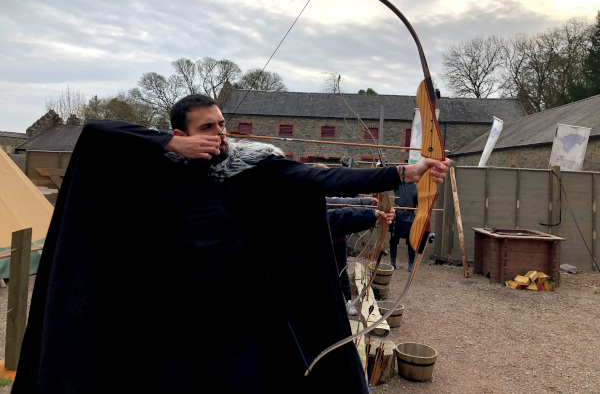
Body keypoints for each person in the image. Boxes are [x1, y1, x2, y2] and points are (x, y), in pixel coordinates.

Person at [13, 94, 449, 394]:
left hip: (236, 344)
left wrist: (402, 173)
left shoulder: (252, 171)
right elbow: (97, 132)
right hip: (171, 344)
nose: (220, 133)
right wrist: (170, 145)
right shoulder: (159, 176)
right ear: (181, 132)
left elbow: (321, 178)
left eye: (222, 124)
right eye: (207, 127)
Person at [326, 196, 394, 316]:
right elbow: (337, 215)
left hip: (338, 240)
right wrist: (371, 214)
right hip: (324, 241)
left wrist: (367, 203)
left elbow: (340, 203)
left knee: (342, 270)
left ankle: (347, 302)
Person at [389, 182, 418, 271]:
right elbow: (390, 178)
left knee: (411, 242)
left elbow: (419, 203)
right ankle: (393, 262)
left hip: (409, 216)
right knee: (393, 240)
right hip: (397, 215)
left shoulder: (416, 187)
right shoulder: (398, 184)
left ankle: (411, 263)